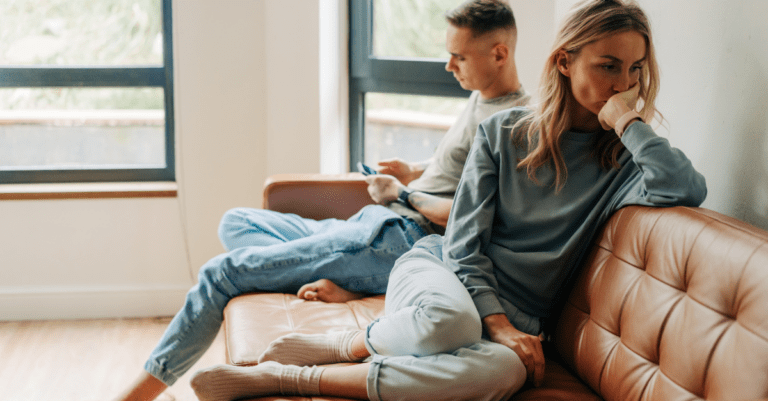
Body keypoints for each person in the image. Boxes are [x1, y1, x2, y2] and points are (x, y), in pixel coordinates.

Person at [187, 0, 708, 400]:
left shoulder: (620, 161)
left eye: (636, 69)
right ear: (565, 63)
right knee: (452, 322)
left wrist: (630, 123)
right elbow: (461, 246)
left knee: (506, 371)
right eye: (609, 66)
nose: (624, 85)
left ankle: (293, 377)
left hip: (519, 317)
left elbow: (683, 188)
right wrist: (496, 324)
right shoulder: (503, 133)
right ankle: (349, 343)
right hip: (443, 273)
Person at [115, 1, 529, 400]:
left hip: (402, 238)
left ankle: (140, 392)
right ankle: (338, 274)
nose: (448, 65)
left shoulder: (510, 125)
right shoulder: (482, 95)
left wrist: (402, 193)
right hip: (374, 224)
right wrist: (414, 169)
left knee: (221, 273)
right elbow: (458, 171)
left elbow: (465, 218)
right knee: (236, 222)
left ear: (499, 53)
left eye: (458, 56)